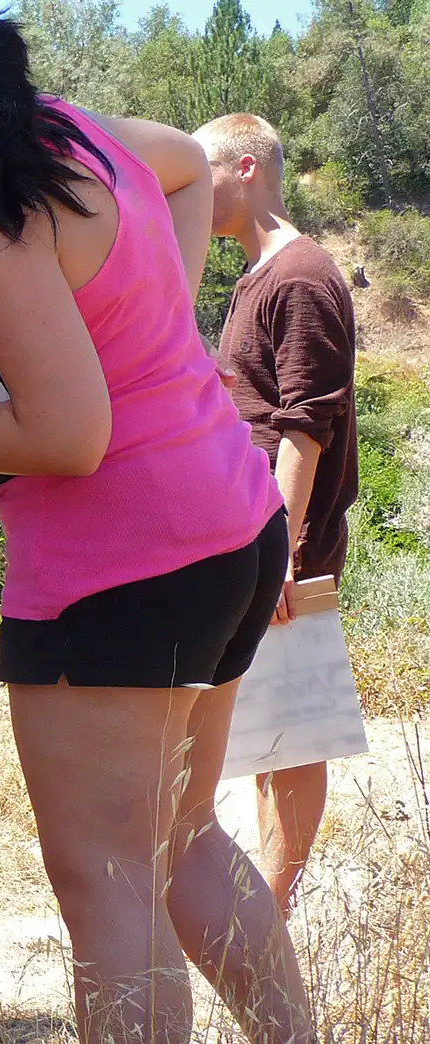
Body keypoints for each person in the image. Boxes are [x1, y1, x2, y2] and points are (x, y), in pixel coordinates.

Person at [0, 3, 312, 1042]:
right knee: (183, 839)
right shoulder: (72, 130)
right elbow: (182, 174)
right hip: (228, 522)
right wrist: (141, 319)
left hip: (117, 569)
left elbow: (69, 436)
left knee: (109, 889)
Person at [195, 112, 360, 918]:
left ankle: (275, 917)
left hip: (285, 543)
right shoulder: (256, 275)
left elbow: (305, 429)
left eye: (204, 170)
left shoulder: (300, 275)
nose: (193, 188)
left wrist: (284, 553)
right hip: (255, 538)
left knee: (293, 732)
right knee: (266, 736)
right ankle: (268, 912)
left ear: (247, 167)